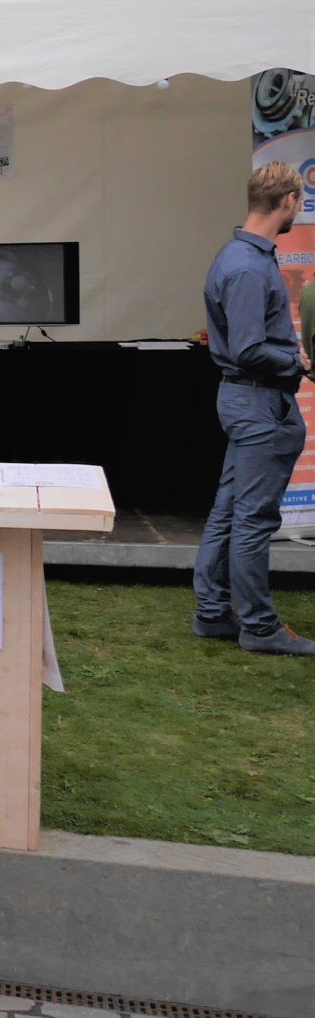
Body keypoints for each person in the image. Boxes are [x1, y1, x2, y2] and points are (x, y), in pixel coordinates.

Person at [194, 162, 315, 655]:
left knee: (231, 512)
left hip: (252, 399)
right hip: (257, 401)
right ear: (287, 201)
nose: (300, 208)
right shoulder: (246, 265)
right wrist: (297, 359)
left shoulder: (243, 256)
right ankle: (259, 627)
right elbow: (247, 349)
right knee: (253, 519)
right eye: (300, 200)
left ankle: (213, 613)